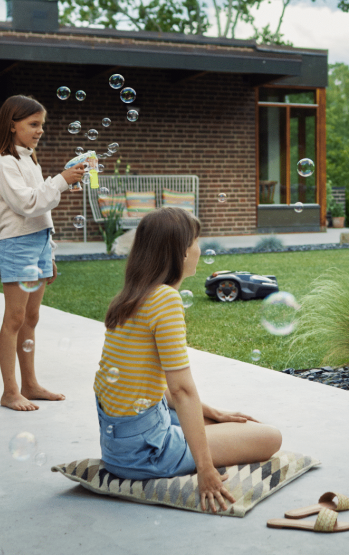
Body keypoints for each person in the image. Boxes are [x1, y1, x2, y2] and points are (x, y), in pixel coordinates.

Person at [94, 207, 282, 513]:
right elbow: (181, 390)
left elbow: (144, 383)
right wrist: (205, 470)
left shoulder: (130, 297)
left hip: (119, 446)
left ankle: (198, 428)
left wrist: (211, 412)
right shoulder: (166, 299)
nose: (199, 248)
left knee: (218, 421)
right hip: (147, 453)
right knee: (270, 437)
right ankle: (188, 449)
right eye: (196, 241)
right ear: (180, 252)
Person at [0, 95, 85, 412]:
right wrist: (60, 181)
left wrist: (50, 253)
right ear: (12, 125)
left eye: (41, 124)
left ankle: (29, 385)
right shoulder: (5, 164)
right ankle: (9, 391)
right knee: (14, 318)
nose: (39, 130)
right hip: (18, 245)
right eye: (33, 124)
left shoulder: (29, 159)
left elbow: (41, 210)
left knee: (31, 317)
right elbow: (27, 204)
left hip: (39, 242)